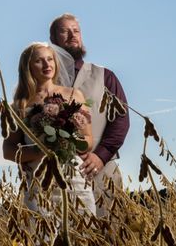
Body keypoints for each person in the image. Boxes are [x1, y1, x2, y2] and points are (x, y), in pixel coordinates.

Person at [49, 13, 129, 216]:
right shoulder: (44, 81)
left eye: (76, 30)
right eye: (64, 31)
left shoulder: (105, 76)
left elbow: (120, 120)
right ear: (53, 40)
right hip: (57, 177)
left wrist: (101, 156)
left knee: (111, 234)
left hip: (102, 173)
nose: (72, 35)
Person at [3, 42, 96, 215]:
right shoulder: (19, 105)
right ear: (28, 67)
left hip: (74, 176)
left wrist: (67, 142)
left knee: (84, 234)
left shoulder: (74, 95)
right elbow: (8, 150)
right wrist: (42, 151)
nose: (47, 65)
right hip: (39, 182)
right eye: (39, 61)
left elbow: (88, 141)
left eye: (50, 59)